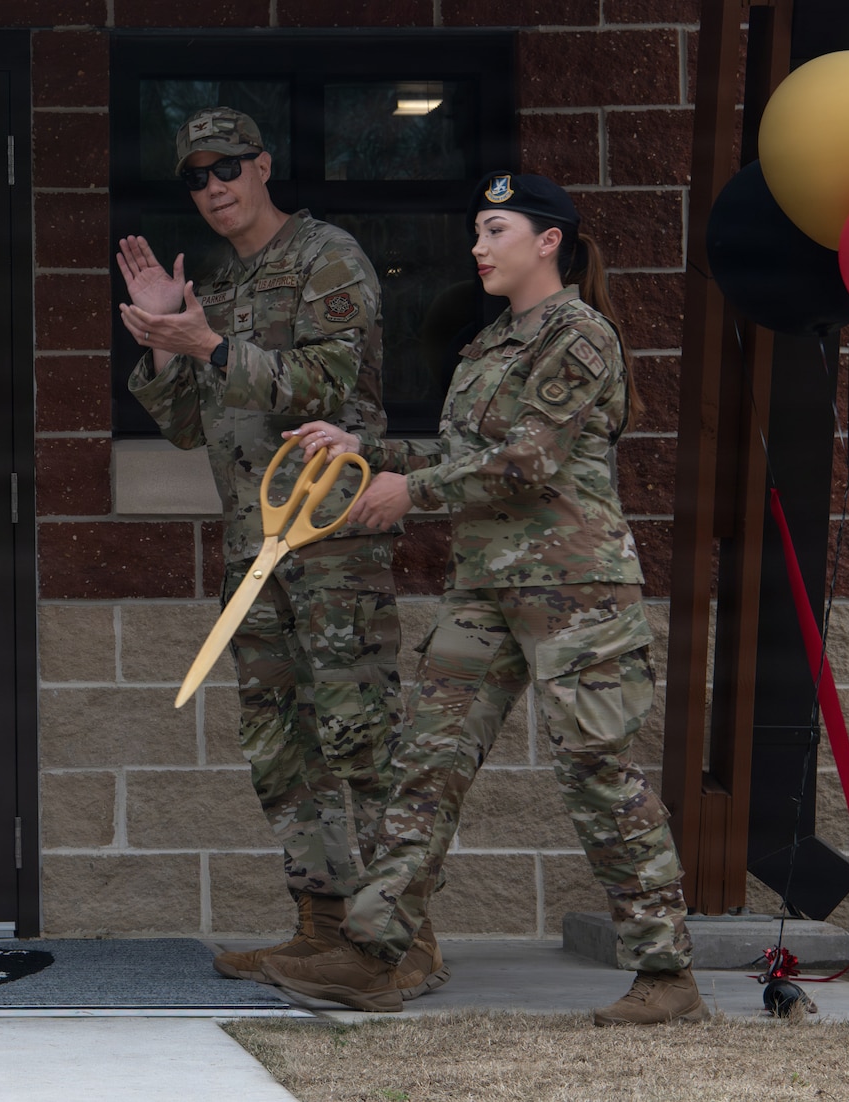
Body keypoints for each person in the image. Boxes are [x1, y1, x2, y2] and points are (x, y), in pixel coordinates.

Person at [266, 173, 702, 1025]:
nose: (478, 245)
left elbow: (525, 460)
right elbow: (465, 447)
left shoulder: (582, 337)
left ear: (550, 240)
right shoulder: (490, 342)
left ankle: (665, 976)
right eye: (475, 230)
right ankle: (377, 953)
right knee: (425, 767)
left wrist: (407, 490)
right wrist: (365, 446)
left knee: (597, 774)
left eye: (495, 228)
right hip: (485, 589)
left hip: (575, 591)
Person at [118, 108, 441, 996]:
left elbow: (332, 383)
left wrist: (211, 345)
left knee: (359, 735)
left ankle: (404, 940)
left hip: (330, 538)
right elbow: (191, 426)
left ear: (262, 166)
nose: (212, 186)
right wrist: (158, 343)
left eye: (227, 167)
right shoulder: (217, 285)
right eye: (195, 176)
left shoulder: (326, 256)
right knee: (278, 744)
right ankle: (324, 923)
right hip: (250, 548)